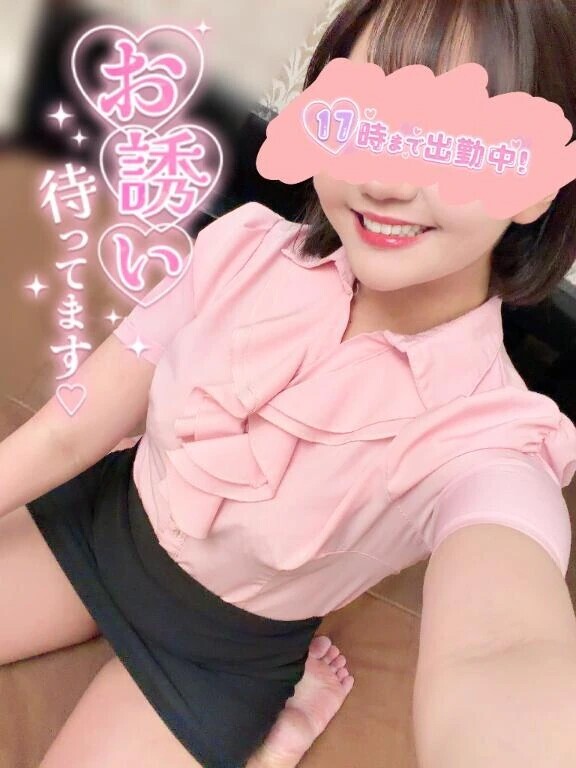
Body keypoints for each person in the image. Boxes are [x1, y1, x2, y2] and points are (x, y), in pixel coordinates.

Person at [1, 0, 576, 767]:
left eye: (458, 144)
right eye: (363, 118)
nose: (383, 178)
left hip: (217, 656)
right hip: (102, 522)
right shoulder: (238, 248)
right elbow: (67, 430)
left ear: (537, 184)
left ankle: (282, 730)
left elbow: (504, 646)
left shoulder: (488, 436)